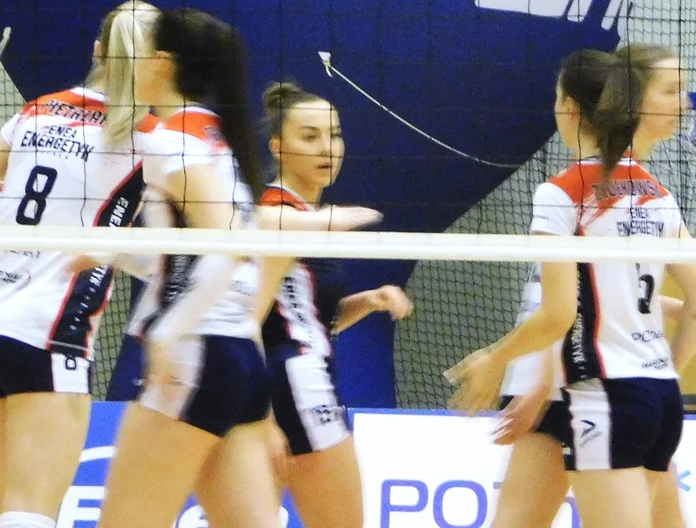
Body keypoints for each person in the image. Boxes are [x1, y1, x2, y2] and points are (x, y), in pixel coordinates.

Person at [448, 47, 696, 528]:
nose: (681, 102)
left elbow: (559, 311)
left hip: (601, 390)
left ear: (569, 106)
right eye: (670, 91)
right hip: (654, 394)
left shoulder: (562, 193)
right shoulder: (658, 194)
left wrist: (495, 359)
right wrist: (665, 368)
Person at [0, 1, 160, 528]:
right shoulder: (151, 136)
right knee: (31, 515)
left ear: (98, 51)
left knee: (0, 513)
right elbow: (185, 253)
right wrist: (118, 249)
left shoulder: (36, 111)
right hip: (47, 334)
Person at [96, 8, 294, 528]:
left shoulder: (171, 141)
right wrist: (107, 250)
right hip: (235, 356)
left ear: (161, 63)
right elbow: (192, 256)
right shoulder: (216, 140)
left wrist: (166, 333)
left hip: (195, 353)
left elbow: (226, 244)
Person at [258, 82, 413, 528]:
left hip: (295, 379)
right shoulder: (278, 215)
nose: (327, 148)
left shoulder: (303, 217)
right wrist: (264, 417)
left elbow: (300, 317)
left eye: (335, 134)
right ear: (278, 147)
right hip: (294, 382)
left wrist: (369, 301)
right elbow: (248, 318)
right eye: (310, 137)